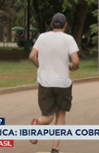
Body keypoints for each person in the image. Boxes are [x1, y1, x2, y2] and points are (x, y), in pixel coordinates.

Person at [29, 12, 80, 153]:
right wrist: (73, 66)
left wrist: (40, 65)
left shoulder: (42, 37)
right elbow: (76, 61)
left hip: (45, 83)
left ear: (52, 25)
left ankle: (38, 123)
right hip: (63, 83)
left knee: (48, 116)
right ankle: (55, 148)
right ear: (66, 25)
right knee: (61, 115)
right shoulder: (68, 39)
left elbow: (32, 55)